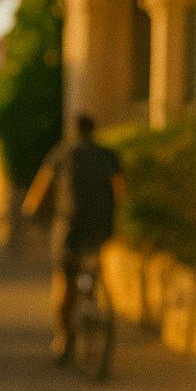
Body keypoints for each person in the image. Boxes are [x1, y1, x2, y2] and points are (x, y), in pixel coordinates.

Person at [22, 113, 124, 363]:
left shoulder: (62, 153)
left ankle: (63, 337)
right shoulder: (108, 154)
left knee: (64, 280)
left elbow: (40, 189)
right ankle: (92, 298)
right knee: (92, 265)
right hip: (100, 226)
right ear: (94, 132)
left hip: (69, 226)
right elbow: (120, 189)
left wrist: (30, 212)